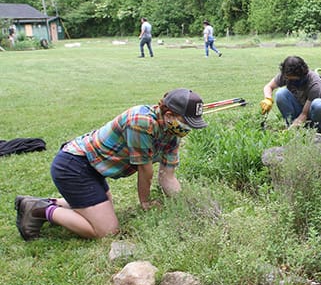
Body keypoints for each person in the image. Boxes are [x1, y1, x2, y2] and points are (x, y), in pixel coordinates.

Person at [14, 88, 207, 241]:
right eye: (186, 122)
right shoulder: (141, 122)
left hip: (93, 169)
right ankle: (40, 210)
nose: (188, 128)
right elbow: (145, 170)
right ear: (169, 113)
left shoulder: (172, 134)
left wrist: (184, 203)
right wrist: (145, 203)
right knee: (107, 229)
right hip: (74, 165)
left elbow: (168, 177)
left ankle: (48, 203)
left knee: (104, 211)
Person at [260, 55, 321, 132]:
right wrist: (268, 99)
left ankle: (318, 131)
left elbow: (305, 114)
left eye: (294, 80)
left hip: (314, 113)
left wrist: (289, 131)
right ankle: (294, 126)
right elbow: (269, 86)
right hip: (300, 109)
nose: (291, 81)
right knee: (280, 93)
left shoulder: (314, 84)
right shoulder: (286, 75)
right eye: (288, 79)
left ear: (302, 75)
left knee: (318, 104)